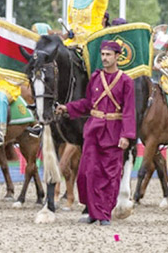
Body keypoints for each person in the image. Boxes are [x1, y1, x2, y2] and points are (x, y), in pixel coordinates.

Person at [55, 40, 136, 226]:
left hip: (114, 132)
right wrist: (67, 108)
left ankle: (104, 214)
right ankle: (93, 211)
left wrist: (126, 135)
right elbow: (88, 104)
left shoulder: (126, 81)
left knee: (110, 175)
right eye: (103, 55)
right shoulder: (96, 78)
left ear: (117, 56)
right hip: (93, 130)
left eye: (109, 55)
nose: (105, 58)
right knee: (86, 173)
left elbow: (129, 110)